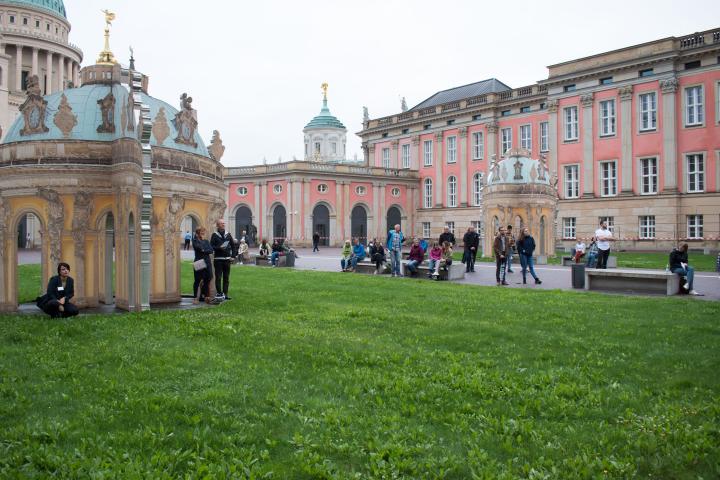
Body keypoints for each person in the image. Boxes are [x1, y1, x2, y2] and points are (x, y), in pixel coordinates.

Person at [211, 219, 236, 300]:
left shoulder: (228, 234)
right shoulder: (214, 235)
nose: (223, 225)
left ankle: (225, 294)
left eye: (224, 223)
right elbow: (211, 247)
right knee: (218, 277)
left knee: (226, 278)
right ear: (218, 225)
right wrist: (219, 248)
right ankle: (219, 293)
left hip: (227, 259)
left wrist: (233, 256)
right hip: (218, 259)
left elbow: (233, 246)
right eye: (221, 224)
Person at [192, 227, 214, 304]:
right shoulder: (195, 241)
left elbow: (211, 250)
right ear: (198, 233)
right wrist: (204, 250)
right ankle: (195, 298)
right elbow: (198, 248)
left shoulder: (206, 241)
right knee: (197, 280)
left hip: (207, 262)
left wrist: (204, 250)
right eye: (201, 232)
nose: (203, 234)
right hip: (199, 262)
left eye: (203, 232)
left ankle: (207, 296)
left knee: (208, 278)